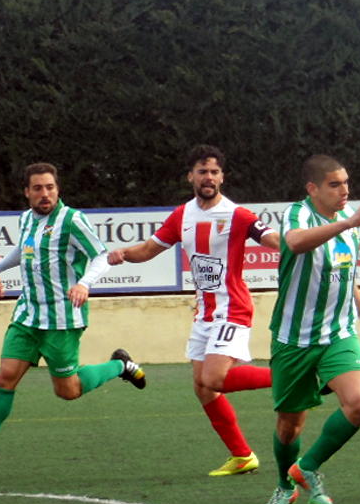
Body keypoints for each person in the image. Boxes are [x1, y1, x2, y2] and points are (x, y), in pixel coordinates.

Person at [0, 163, 146, 472]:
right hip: (28, 316)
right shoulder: (26, 219)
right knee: (5, 377)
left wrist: (84, 284)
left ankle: (121, 365)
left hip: (62, 321)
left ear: (57, 189)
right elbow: (24, 250)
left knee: (68, 391)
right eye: (37, 188)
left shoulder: (72, 220)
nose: (45, 194)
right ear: (27, 192)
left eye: (50, 187)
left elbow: (101, 256)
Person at [108, 145, 279, 477]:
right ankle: (242, 456)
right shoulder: (182, 215)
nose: (208, 177)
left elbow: (273, 238)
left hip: (233, 308)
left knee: (215, 378)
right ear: (191, 176)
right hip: (205, 313)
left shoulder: (237, 215)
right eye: (202, 172)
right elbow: (148, 250)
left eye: (214, 172)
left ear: (222, 177)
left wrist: (297, 246)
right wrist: (124, 253)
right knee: (203, 387)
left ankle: (295, 375)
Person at [261, 154, 360, 504]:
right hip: (293, 338)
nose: (344, 191)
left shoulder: (350, 225)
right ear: (312, 188)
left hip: (338, 333)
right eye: (334, 184)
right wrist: (347, 222)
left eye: (346, 183)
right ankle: (284, 486)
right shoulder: (298, 213)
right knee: (289, 426)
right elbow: (296, 242)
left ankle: (307, 467)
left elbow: (346, 275)